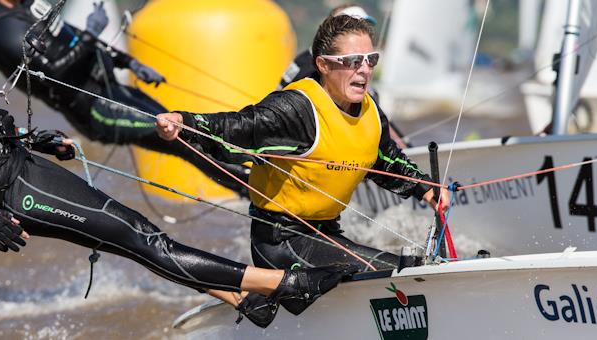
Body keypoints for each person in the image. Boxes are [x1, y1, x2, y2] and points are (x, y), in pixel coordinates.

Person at [0, 90, 356, 329]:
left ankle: (245, 302)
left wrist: (33, 138)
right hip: (16, 189)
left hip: (24, 168)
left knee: (135, 241)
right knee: (144, 238)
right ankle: (285, 284)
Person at [156, 14, 450, 316]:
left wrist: (425, 187)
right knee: (399, 272)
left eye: (370, 59)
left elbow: (387, 160)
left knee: (406, 267)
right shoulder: (296, 109)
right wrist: (186, 121)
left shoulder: (370, 112)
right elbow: (239, 126)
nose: (364, 69)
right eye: (352, 61)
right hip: (282, 241)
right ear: (323, 65)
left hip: (327, 235)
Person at [0, 0, 250, 196]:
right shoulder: (3, 27)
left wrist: (130, 63)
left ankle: (253, 180)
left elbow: (76, 40)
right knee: (181, 140)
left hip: (115, 91)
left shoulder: (28, 5)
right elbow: (56, 69)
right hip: (96, 110)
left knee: (190, 133)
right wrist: (91, 32)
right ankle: (251, 191)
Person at [278, 3, 410, 148]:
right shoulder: (310, 67)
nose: (361, 33)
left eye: (364, 26)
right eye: (351, 26)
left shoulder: (355, 67)